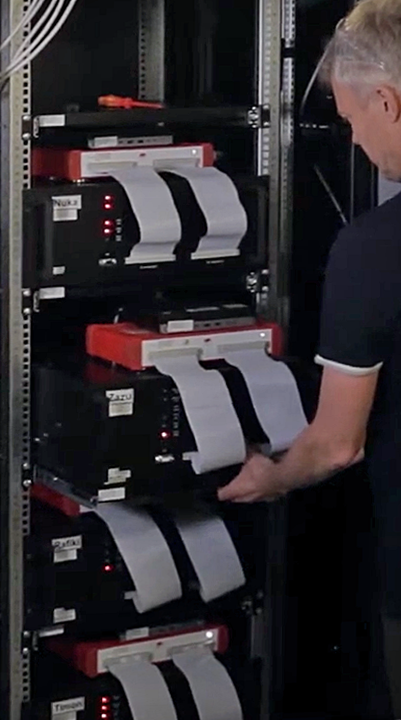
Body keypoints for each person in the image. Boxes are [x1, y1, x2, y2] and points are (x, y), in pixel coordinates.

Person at [218, 0, 401, 716]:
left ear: (388, 99)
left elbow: (334, 446)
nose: (353, 143)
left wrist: (270, 477)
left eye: (354, 121)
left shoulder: (374, 251)